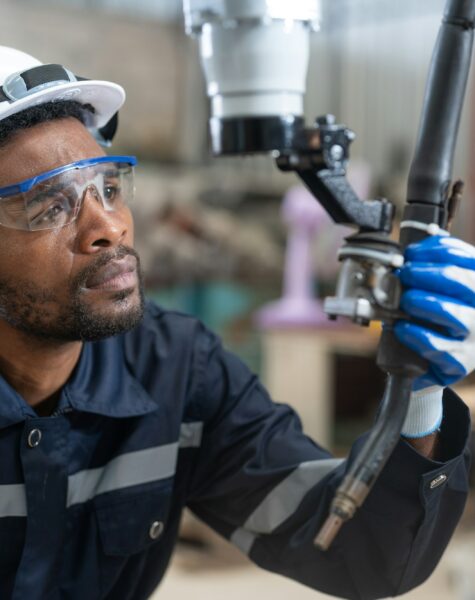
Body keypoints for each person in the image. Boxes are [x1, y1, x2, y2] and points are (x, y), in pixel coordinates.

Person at [0, 46, 471, 600]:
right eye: (50, 207)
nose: (108, 227)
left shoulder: (174, 370)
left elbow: (359, 554)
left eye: (106, 188)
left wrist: (420, 399)